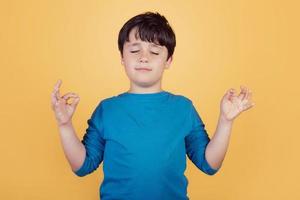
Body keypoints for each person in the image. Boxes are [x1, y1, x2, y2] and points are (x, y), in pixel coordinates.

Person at [51, 11, 254, 200]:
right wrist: (64, 125)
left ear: (168, 60)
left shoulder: (183, 108)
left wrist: (226, 121)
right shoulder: (107, 109)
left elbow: (209, 164)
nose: (144, 58)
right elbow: (82, 166)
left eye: (155, 52)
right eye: (135, 50)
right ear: (122, 57)